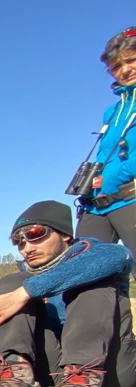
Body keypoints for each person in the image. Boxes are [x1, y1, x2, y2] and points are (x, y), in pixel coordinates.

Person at [0, 201, 135, 387]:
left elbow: (117, 256)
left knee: (92, 282)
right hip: (52, 375)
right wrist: (21, 291)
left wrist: (26, 292)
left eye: (36, 234)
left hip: (109, 373)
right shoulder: (24, 276)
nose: (27, 247)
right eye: (19, 241)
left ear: (65, 234)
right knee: (11, 282)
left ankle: (83, 382)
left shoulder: (99, 254)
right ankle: (17, 380)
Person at [74, 27, 136, 255]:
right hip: (98, 205)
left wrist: (112, 178)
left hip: (130, 196)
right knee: (81, 271)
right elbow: (105, 155)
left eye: (131, 61)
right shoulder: (113, 111)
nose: (125, 70)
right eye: (117, 67)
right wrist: (89, 186)